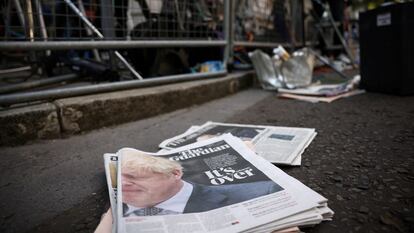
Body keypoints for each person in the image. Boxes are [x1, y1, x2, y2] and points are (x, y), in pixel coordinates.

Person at [121, 149, 282, 217]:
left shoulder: (262, 192)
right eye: (118, 178)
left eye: (133, 176)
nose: (122, 184)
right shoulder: (115, 209)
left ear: (174, 173)